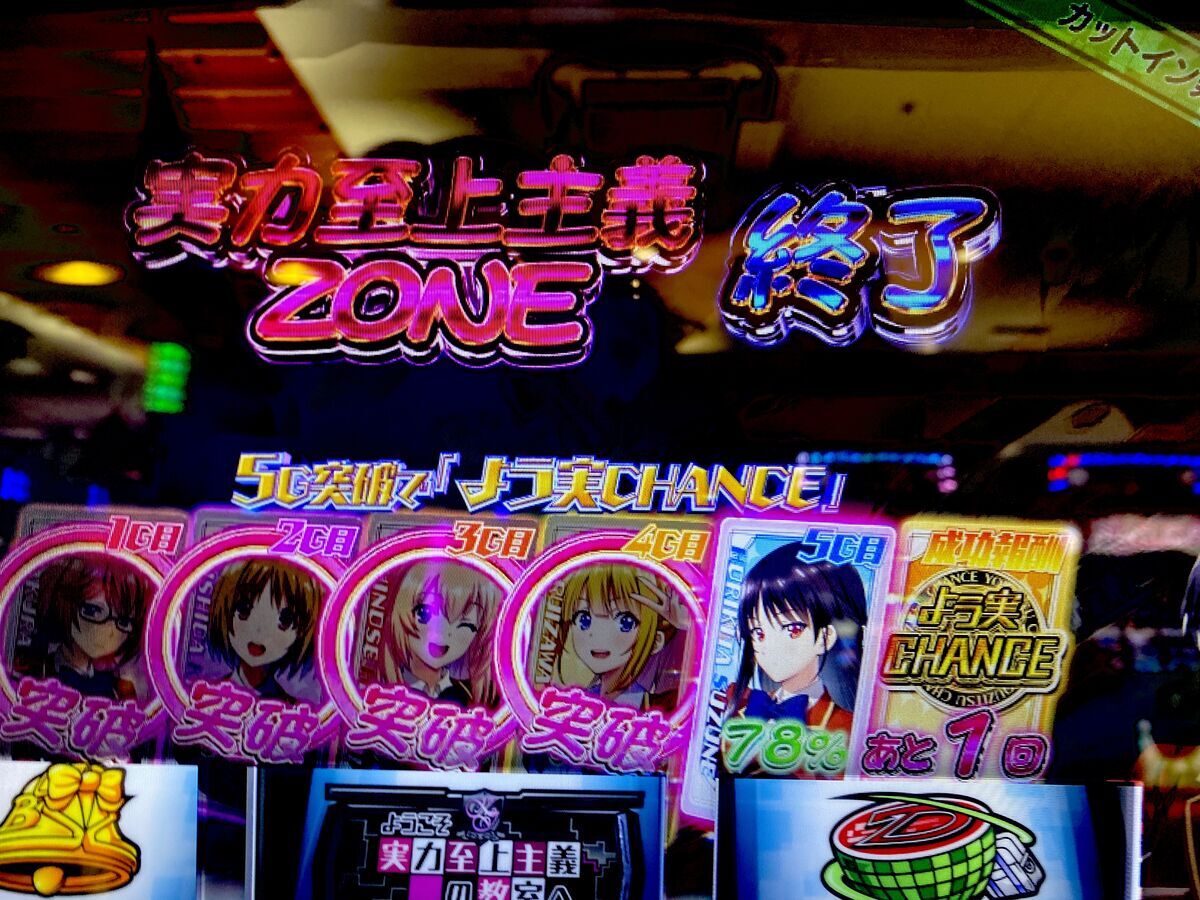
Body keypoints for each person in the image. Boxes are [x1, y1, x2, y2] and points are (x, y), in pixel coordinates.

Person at [727, 545, 868, 734]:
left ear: (826, 637)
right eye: (758, 632)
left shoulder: (847, 727)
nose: (769, 647)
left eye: (792, 629)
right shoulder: (739, 707)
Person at [551, 562, 685, 708]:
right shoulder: (577, 702)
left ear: (655, 641)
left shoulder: (663, 705)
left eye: (625, 622)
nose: (598, 635)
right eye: (584, 619)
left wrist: (689, 626)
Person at [379, 559, 501, 708]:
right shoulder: (380, 686)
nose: (442, 632)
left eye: (466, 625)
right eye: (425, 613)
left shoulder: (467, 697)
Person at [33, 555, 151, 700]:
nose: (110, 631)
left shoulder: (121, 689)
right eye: (93, 611)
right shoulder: (37, 670)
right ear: (63, 603)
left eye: (123, 622)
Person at [207, 558, 321, 702]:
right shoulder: (207, 696)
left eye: (284, 621)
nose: (259, 631)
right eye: (244, 610)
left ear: (302, 631)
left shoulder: (290, 708)